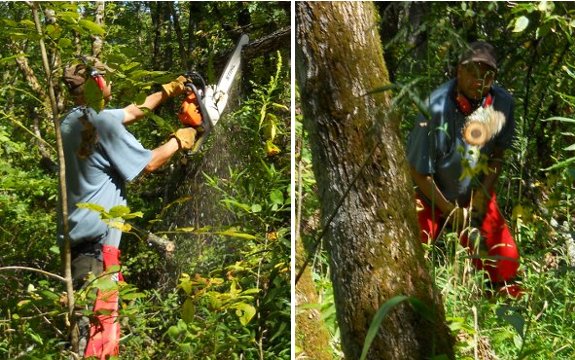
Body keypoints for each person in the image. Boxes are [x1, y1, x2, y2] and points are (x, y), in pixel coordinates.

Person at [60, 57, 224, 358]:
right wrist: (183, 137)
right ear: (97, 83)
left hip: (77, 250)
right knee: (99, 346)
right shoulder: (101, 121)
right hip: (98, 255)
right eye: (106, 80)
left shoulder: (73, 120)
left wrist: (171, 89)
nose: (110, 84)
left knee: (82, 338)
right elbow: (150, 163)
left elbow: (134, 111)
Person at [406, 42, 520, 296]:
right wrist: (449, 210)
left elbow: (498, 156)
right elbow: (418, 172)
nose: (479, 80)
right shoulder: (435, 106)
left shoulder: (502, 104)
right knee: (408, 257)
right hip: (430, 195)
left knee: (506, 261)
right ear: (459, 71)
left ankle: (497, 309)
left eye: (488, 74)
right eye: (473, 71)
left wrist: (479, 198)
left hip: (475, 196)